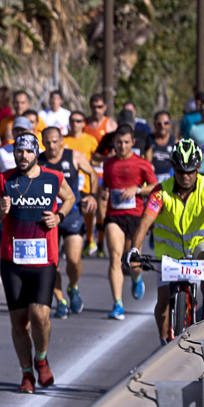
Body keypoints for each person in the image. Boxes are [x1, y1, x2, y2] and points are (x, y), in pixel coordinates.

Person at [126, 141, 204, 340]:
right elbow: (144, 223)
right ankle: (163, 344)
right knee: (162, 304)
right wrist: (134, 251)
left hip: (200, 244)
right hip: (170, 253)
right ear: (173, 169)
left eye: (190, 172)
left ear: (198, 169)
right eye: (180, 172)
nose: (185, 177)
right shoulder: (160, 191)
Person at [0, 132, 75, 392]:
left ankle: (41, 358)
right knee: (18, 321)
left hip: (43, 259)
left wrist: (59, 216)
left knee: (40, 315)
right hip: (13, 260)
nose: (23, 156)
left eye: (28, 152)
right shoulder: (4, 179)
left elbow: (71, 198)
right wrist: (1, 211)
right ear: (14, 153)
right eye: (19, 152)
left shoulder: (53, 177)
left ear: (36, 153)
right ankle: (26, 373)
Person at [100, 125, 158, 319]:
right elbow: (105, 187)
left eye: (126, 142)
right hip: (114, 216)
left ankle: (137, 277)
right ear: (114, 143)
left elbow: (156, 187)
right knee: (115, 257)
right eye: (118, 142)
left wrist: (137, 189)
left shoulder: (141, 163)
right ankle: (117, 304)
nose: (122, 146)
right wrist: (101, 195)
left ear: (133, 142)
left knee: (132, 260)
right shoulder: (108, 164)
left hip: (136, 216)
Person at [41, 126, 97, 317]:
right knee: (52, 264)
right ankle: (60, 300)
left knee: (73, 260)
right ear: (43, 143)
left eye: (55, 141)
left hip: (72, 214)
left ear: (62, 141)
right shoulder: (38, 161)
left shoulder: (74, 156)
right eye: (47, 142)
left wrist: (92, 196)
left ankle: (73, 287)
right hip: (48, 218)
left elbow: (93, 174)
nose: (51, 146)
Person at [64, 110, 102, 256]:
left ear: (84, 124)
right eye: (72, 120)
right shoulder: (63, 140)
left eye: (78, 121)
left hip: (85, 184)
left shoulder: (91, 140)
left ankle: (89, 239)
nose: (75, 124)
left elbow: (98, 159)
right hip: (68, 185)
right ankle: (69, 242)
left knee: (88, 213)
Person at [150, 110, 176, 184]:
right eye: (159, 123)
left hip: (171, 180)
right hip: (153, 180)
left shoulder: (175, 142)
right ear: (155, 124)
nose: (162, 126)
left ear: (170, 124)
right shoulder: (149, 141)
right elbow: (147, 163)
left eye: (166, 123)